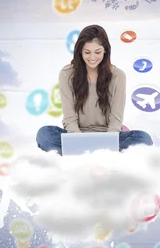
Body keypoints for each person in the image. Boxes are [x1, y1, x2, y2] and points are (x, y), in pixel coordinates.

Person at [36, 24, 153, 155]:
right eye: (87, 52)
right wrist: (78, 141)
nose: (92, 58)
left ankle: (85, 152)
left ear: (105, 51)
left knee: (143, 138)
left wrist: (108, 144)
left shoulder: (118, 76)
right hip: (76, 136)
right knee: (44, 135)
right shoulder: (66, 74)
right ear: (80, 51)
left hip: (109, 136)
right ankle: (87, 151)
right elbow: (69, 117)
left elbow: (116, 119)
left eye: (97, 52)